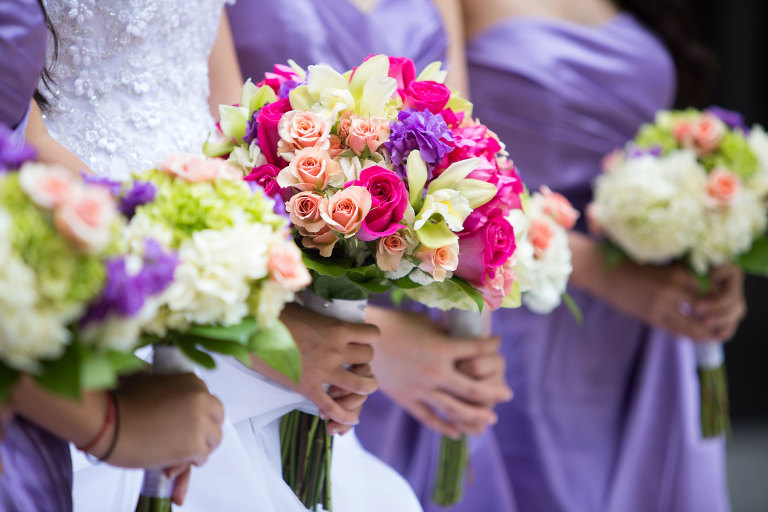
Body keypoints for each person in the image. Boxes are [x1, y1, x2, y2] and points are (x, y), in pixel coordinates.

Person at [31, 1, 393, 510]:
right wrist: (250, 324)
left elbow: (229, 116)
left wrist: (271, 270)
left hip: (224, 235)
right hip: (88, 252)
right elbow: (24, 140)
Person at [226, 1, 516, 510]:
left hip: (420, 291)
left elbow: (465, 140)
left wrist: (471, 317)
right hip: (296, 314)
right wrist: (379, 344)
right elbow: (222, 150)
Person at [462, 0, 742, 510]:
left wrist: (709, 244)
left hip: (646, 319)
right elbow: (442, 159)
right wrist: (592, 267)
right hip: (520, 302)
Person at [0, 2, 225, 510]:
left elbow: (230, 103)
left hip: (186, 248)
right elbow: (24, 133)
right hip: (75, 254)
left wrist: (239, 252)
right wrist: (109, 427)